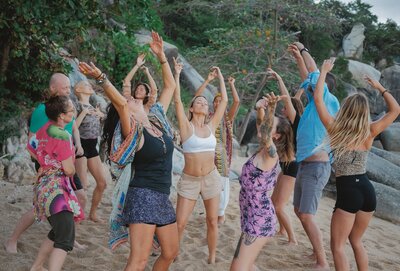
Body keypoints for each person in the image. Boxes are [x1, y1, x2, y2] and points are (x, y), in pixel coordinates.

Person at [79, 31, 178, 271]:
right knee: (139, 260)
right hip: (142, 195)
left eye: (136, 99)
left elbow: (170, 86)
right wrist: (102, 79)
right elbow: (121, 103)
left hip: (162, 196)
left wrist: (161, 56)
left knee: (170, 252)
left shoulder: (157, 120)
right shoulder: (132, 131)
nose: (133, 99)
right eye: (130, 101)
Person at [314, 58, 400, 271]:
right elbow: (396, 110)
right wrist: (380, 88)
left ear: (345, 109)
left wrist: (323, 72)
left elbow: (318, 100)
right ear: (364, 113)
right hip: (367, 190)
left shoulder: (335, 128)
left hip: (349, 191)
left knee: (337, 247)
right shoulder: (370, 131)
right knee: (356, 241)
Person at [4, 73, 87, 254]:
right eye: (65, 87)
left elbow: (72, 128)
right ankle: (12, 239)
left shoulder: (66, 107)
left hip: (66, 164)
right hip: (49, 167)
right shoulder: (42, 111)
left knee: (80, 197)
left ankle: (69, 236)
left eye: (69, 87)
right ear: (52, 88)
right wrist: (42, 161)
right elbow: (32, 140)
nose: (68, 90)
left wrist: (78, 145)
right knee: (39, 209)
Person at [290, 42, 340, 270]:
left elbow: (315, 75)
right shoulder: (312, 105)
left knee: (307, 215)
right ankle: (316, 251)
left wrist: (303, 50)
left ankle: (323, 261)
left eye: (315, 85)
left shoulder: (329, 100)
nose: (310, 89)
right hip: (305, 166)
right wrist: (298, 60)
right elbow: (309, 78)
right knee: (299, 211)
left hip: (317, 166)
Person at [173, 58, 227, 264]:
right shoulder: (187, 127)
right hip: (190, 180)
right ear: (193, 108)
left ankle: (212, 257)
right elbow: (177, 100)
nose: (203, 103)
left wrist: (220, 77)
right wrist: (177, 74)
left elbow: (224, 102)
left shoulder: (212, 125)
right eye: (199, 102)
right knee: (180, 223)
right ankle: (174, 253)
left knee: (212, 221)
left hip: (211, 178)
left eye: (205, 102)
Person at [28, 95, 84, 271]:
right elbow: (68, 170)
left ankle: (36, 267)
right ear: (61, 116)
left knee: (58, 230)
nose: (74, 113)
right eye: (71, 111)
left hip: (43, 187)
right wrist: (68, 168)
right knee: (66, 237)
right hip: (56, 190)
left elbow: (30, 147)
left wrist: (45, 164)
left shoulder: (43, 129)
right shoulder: (63, 135)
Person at [230, 93, 281, 271]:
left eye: (270, 124)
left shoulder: (270, 155)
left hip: (259, 220)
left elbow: (265, 132)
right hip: (250, 216)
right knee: (247, 265)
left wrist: (272, 108)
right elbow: (262, 127)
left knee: (238, 268)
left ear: (276, 137)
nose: (264, 126)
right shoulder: (262, 150)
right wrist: (260, 108)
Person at [194, 71, 240, 224]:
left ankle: (220, 215)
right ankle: (213, 215)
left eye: (220, 101)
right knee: (208, 186)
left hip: (221, 160)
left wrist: (232, 85)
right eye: (215, 101)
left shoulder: (227, 118)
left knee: (222, 187)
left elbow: (237, 102)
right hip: (206, 158)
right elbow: (196, 98)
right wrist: (207, 80)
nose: (217, 103)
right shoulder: (208, 117)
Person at [266, 68, 303, 244]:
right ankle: (281, 230)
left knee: (279, 205)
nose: (283, 109)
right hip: (285, 165)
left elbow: (289, 99)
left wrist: (280, 78)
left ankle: (292, 239)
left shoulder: (297, 123)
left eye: (286, 108)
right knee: (274, 201)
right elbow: (294, 98)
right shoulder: (291, 123)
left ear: (292, 110)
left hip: (292, 165)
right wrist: (301, 91)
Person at [74, 81, 107, 222]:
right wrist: (84, 113)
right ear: (78, 89)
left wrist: (101, 115)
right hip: (80, 147)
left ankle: (92, 213)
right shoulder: (76, 106)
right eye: (86, 85)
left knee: (102, 182)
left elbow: (104, 122)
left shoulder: (93, 107)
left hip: (93, 147)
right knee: (83, 185)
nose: (90, 87)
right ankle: (77, 215)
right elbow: (73, 125)